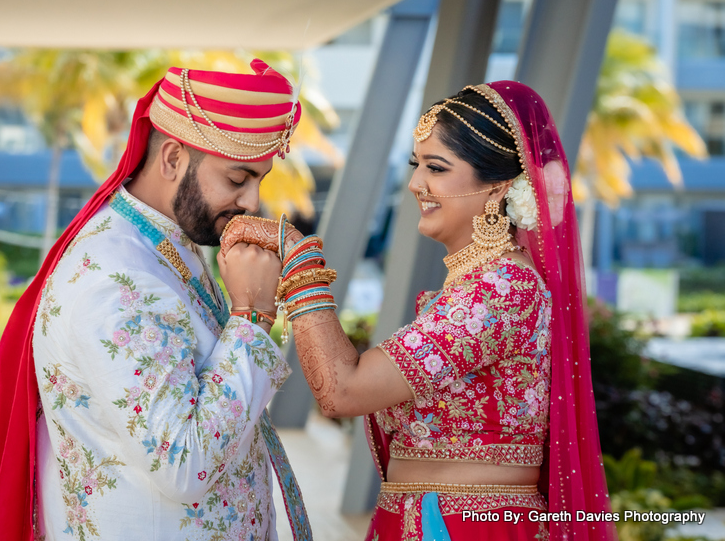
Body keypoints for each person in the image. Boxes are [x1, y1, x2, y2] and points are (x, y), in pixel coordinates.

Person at [221, 81, 615, 541]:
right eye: (416, 165)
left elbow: (343, 390)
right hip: (432, 518)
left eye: (437, 168)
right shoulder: (481, 285)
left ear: (499, 186)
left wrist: (299, 262)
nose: (415, 184)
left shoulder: (502, 288)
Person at [0, 60, 313, 541]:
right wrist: (250, 317)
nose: (251, 202)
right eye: (237, 178)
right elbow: (185, 463)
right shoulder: (116, 278)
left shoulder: (163, 242)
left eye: (258, 182)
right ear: (171, 159)